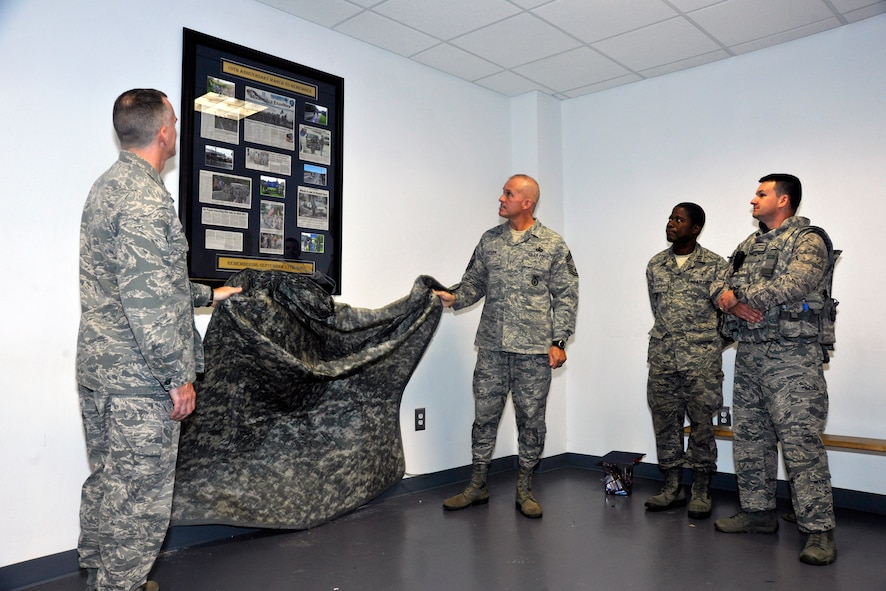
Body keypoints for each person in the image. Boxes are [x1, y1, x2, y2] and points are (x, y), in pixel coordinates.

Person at [77, 89, 241, 591]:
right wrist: (178, 377)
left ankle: (100, 574)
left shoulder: (107, 188)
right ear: (165, 131)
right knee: (140, 504)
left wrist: (208, 295)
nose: (177, 129)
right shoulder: (147, 200)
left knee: (108, 482)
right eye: (175, 119)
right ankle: (119, 584)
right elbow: (147, 304)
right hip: (141, 381)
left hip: (102, 372)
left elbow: (143, 281)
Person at [433, 174, 579, 518]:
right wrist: (454, 297)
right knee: (484, 417)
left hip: (533, 351)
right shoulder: (490, 241)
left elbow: (567, 296)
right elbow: (473, 283)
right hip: (492, 348)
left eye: (508, 194)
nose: (501, 198)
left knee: (531, 420)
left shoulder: (552, 245)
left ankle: (525, 488)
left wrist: (559, 341)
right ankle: (477, 484)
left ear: (526, 203)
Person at [710, 173, 837, 565]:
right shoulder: (749, 245)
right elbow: (718, 280)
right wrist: (727, 300)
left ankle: (818, 531)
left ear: (783, 200)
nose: (753, 199)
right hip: (750, 355)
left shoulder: (808, 239)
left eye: (761, 193)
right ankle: (758, 512)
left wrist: (740, 298)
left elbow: (796, 282)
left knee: (800, 443)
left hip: (793, 359)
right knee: (750, 439)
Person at [644, 203, 726, 519]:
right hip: (663, 359)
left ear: (695, 229)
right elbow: (658, 309)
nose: (671, 223)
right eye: (670, 217)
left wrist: (707, 344)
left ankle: (702, 489)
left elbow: (726, 317)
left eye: (679, 220)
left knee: (703, 426)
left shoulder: (716, 265)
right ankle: (672, 487)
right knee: (665, 423)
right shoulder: (656, 265)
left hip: (701, 363)